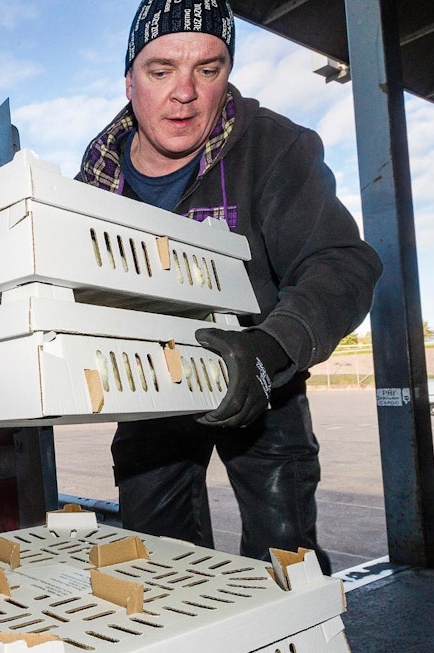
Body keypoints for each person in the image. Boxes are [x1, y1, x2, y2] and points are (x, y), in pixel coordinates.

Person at [77, 0, 382, 574]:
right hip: (151, 388)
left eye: (208, 69)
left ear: (227, 75)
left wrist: (273, 347)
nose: (185, 92)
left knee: (283, 558)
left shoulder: (274, 149)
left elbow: (341, 263)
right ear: (129, 79)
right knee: (153, 561)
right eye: (161, 70)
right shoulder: (96, 177)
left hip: (261, 382)